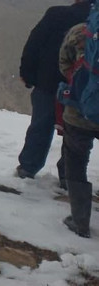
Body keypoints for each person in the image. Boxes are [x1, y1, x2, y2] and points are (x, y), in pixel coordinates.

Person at [16, 0, 99, 182]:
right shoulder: (93, 23)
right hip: (82, 89)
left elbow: (34, 43)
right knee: (75, 133)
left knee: (40, 126)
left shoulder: (56, 14)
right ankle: (68, 177)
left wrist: (27, 74)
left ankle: (28, 167)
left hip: (48, 82)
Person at [58, 14, 98, 238]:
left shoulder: (80, 31)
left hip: (78, 109)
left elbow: (64, 63)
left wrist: (83, 86)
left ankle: (80, 221)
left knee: (75, 160)